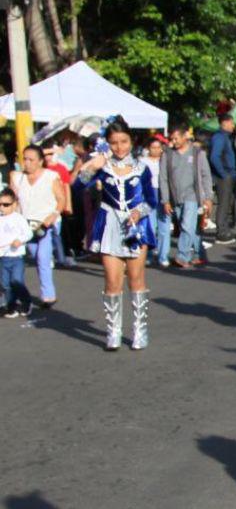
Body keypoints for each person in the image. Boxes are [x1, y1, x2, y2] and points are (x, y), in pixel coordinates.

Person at [78, 116, 158, 351]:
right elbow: (79, 186)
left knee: (136, 278)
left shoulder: (142, 168)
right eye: (114, 143)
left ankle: (140, 331)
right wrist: (91, 165)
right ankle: (113, 332)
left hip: (136, 226)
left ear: (131, 141)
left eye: (123, 141)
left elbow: (152, 200)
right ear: (108, 143)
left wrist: (138, 212)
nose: (119, 147)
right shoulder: (103, 167)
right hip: (110, 224)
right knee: (112, 280)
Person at [12, 144, 66, 309]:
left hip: (45, 224)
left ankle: (48, 296)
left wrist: (53, 215)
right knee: (36, 257)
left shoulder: (51, 176)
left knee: (43, 258)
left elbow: (61, 199)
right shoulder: (17, 177)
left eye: (31, 160)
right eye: (25, 159)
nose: (27, 163)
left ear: (41, 161)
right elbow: (14, 201)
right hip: (26, 225)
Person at [159, 123, 213, 269]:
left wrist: (208, 197)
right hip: (175, 196)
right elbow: (163, 178)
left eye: (176, 138)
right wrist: (165, 200)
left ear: (185, 137)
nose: (174, 141)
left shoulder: (197, 153)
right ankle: (197, 253)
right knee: (190, 227)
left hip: (193, 196)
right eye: (172, 139)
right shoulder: (167, 155)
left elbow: (206, 176)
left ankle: (182, 256)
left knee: (187, 226)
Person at [0, 186, 33, 317]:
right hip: (3, 257)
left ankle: (26, 302)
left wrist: (20, 240)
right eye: (0, 204)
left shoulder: (18, 218)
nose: (2, 207)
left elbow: (29, 233)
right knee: (5, 284)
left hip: (16, 257)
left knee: (16, 281)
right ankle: (11, 307)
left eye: (6, 204)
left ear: (14, 205)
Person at [209, 114, 236, 244]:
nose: (233, 126)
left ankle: (225, 229)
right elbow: (214, 157)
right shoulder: (220, 137)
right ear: (225, 123)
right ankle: (221, 232)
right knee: (224, 203)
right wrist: (223, 173)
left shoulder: (225, 137)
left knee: (227, 202)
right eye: (232, 123)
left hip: (227, 174)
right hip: (224, 175)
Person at [144, 135, 171, 268]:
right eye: (153, 147)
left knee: (164, 225)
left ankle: (163, 255)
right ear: (148, 149)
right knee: (150, 225)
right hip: (149, 193)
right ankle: (149, 254)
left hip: (163, 192)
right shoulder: (143, 161)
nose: (156, 150)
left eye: (158, 147)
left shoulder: (166, 160)